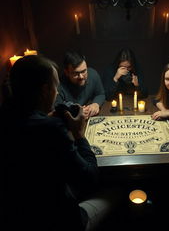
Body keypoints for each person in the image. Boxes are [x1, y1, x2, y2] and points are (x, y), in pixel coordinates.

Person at [1, 55, 119, 231]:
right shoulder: (50, 128)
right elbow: (90, 178)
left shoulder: (6, 116)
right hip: (60, 220)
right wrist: (79, 134)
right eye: (55, 87)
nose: (57, 92)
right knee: (117, 191)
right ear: (45, 90)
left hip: (18, 216)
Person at [55, 51, 105, 118]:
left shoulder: (93, 74)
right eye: (76, 73)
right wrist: (75, 111)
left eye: (84, 71)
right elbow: (56, 108)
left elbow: (100, 94)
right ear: (66, 72)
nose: (81, 77)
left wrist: (96, 104)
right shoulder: (58, 85)